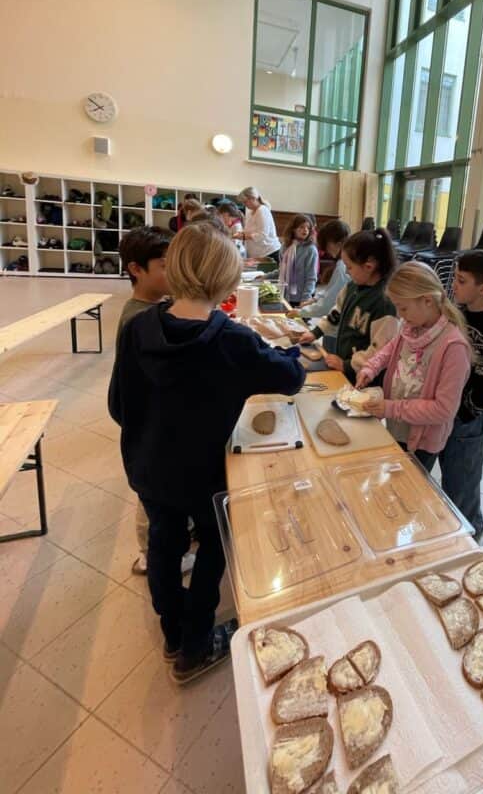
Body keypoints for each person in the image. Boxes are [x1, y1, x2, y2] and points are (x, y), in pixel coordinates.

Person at [108, 222, 305, 683]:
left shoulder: (137, 328)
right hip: (205, 474)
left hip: (148, 466)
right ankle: (196, 644)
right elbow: (291, 378)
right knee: (214, 546)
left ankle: (173, 633)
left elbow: (118, 406)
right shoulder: (232, 340)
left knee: (164, 543)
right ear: (228, 279)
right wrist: (291, 353)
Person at [116, 225, 196, 577]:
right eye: (165, 266)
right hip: (153, 427)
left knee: (160, 495)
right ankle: (150, 555)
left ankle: (166, 545)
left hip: (157, 425)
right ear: (136, 269)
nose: (174, 273)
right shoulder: (139, 320)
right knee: (153, 499)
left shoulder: (154, 308)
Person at [355, 261, 471, 468]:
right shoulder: (410, 327)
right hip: (397, 427)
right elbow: (391, 348)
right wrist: (371, 367)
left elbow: (443, 410)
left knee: (410, 482)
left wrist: (390, 408)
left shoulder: (454, 347)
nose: (400, 315)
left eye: (403, 308)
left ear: (427, 301)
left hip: (422, 441)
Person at [440, 250, 483, 538]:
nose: (453, 285)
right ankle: (452, 530)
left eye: (461, 280)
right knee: (449, 475)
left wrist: (462, 413)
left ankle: (470, 537)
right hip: (450, 410)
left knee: (462, 484)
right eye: (455, 278)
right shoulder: (460, 314)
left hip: (468, 418)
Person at [296, 228, 398, 380]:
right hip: (345, 367)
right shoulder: (352, 287)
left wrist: (348, 365)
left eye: (349, 267)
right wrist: (316, 332)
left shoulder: (385, 303)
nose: (347, 272)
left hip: (364, 378)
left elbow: (380, 350)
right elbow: (336, 313)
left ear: (368, 266)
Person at [299, 219, 351, 327]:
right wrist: (315, 299)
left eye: (327, 245)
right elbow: (332, 289)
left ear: (339, 244)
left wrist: (301, 312)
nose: (327, 250)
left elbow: (328, 304)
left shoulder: (343, 266)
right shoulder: (342, 263)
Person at [278, 213, 318, 308]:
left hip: (301, 298)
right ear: (293, 229)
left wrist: (305, 299)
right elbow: (282, 270)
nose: (305, 230)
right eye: (301, 227)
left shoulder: (310, 250)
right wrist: (265, 276)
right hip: (284, 294)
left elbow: (311, 277)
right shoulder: (285, 247)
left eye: (308, 228)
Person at [239, 187, 280, 262]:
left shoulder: (262, 210)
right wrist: (241, 233)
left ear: (253, 198)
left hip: (269, 253)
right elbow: (249, 231)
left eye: (245, 202)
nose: (244, 204)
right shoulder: (250, 212)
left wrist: (244, 236)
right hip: (258, 254)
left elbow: (262, 235)